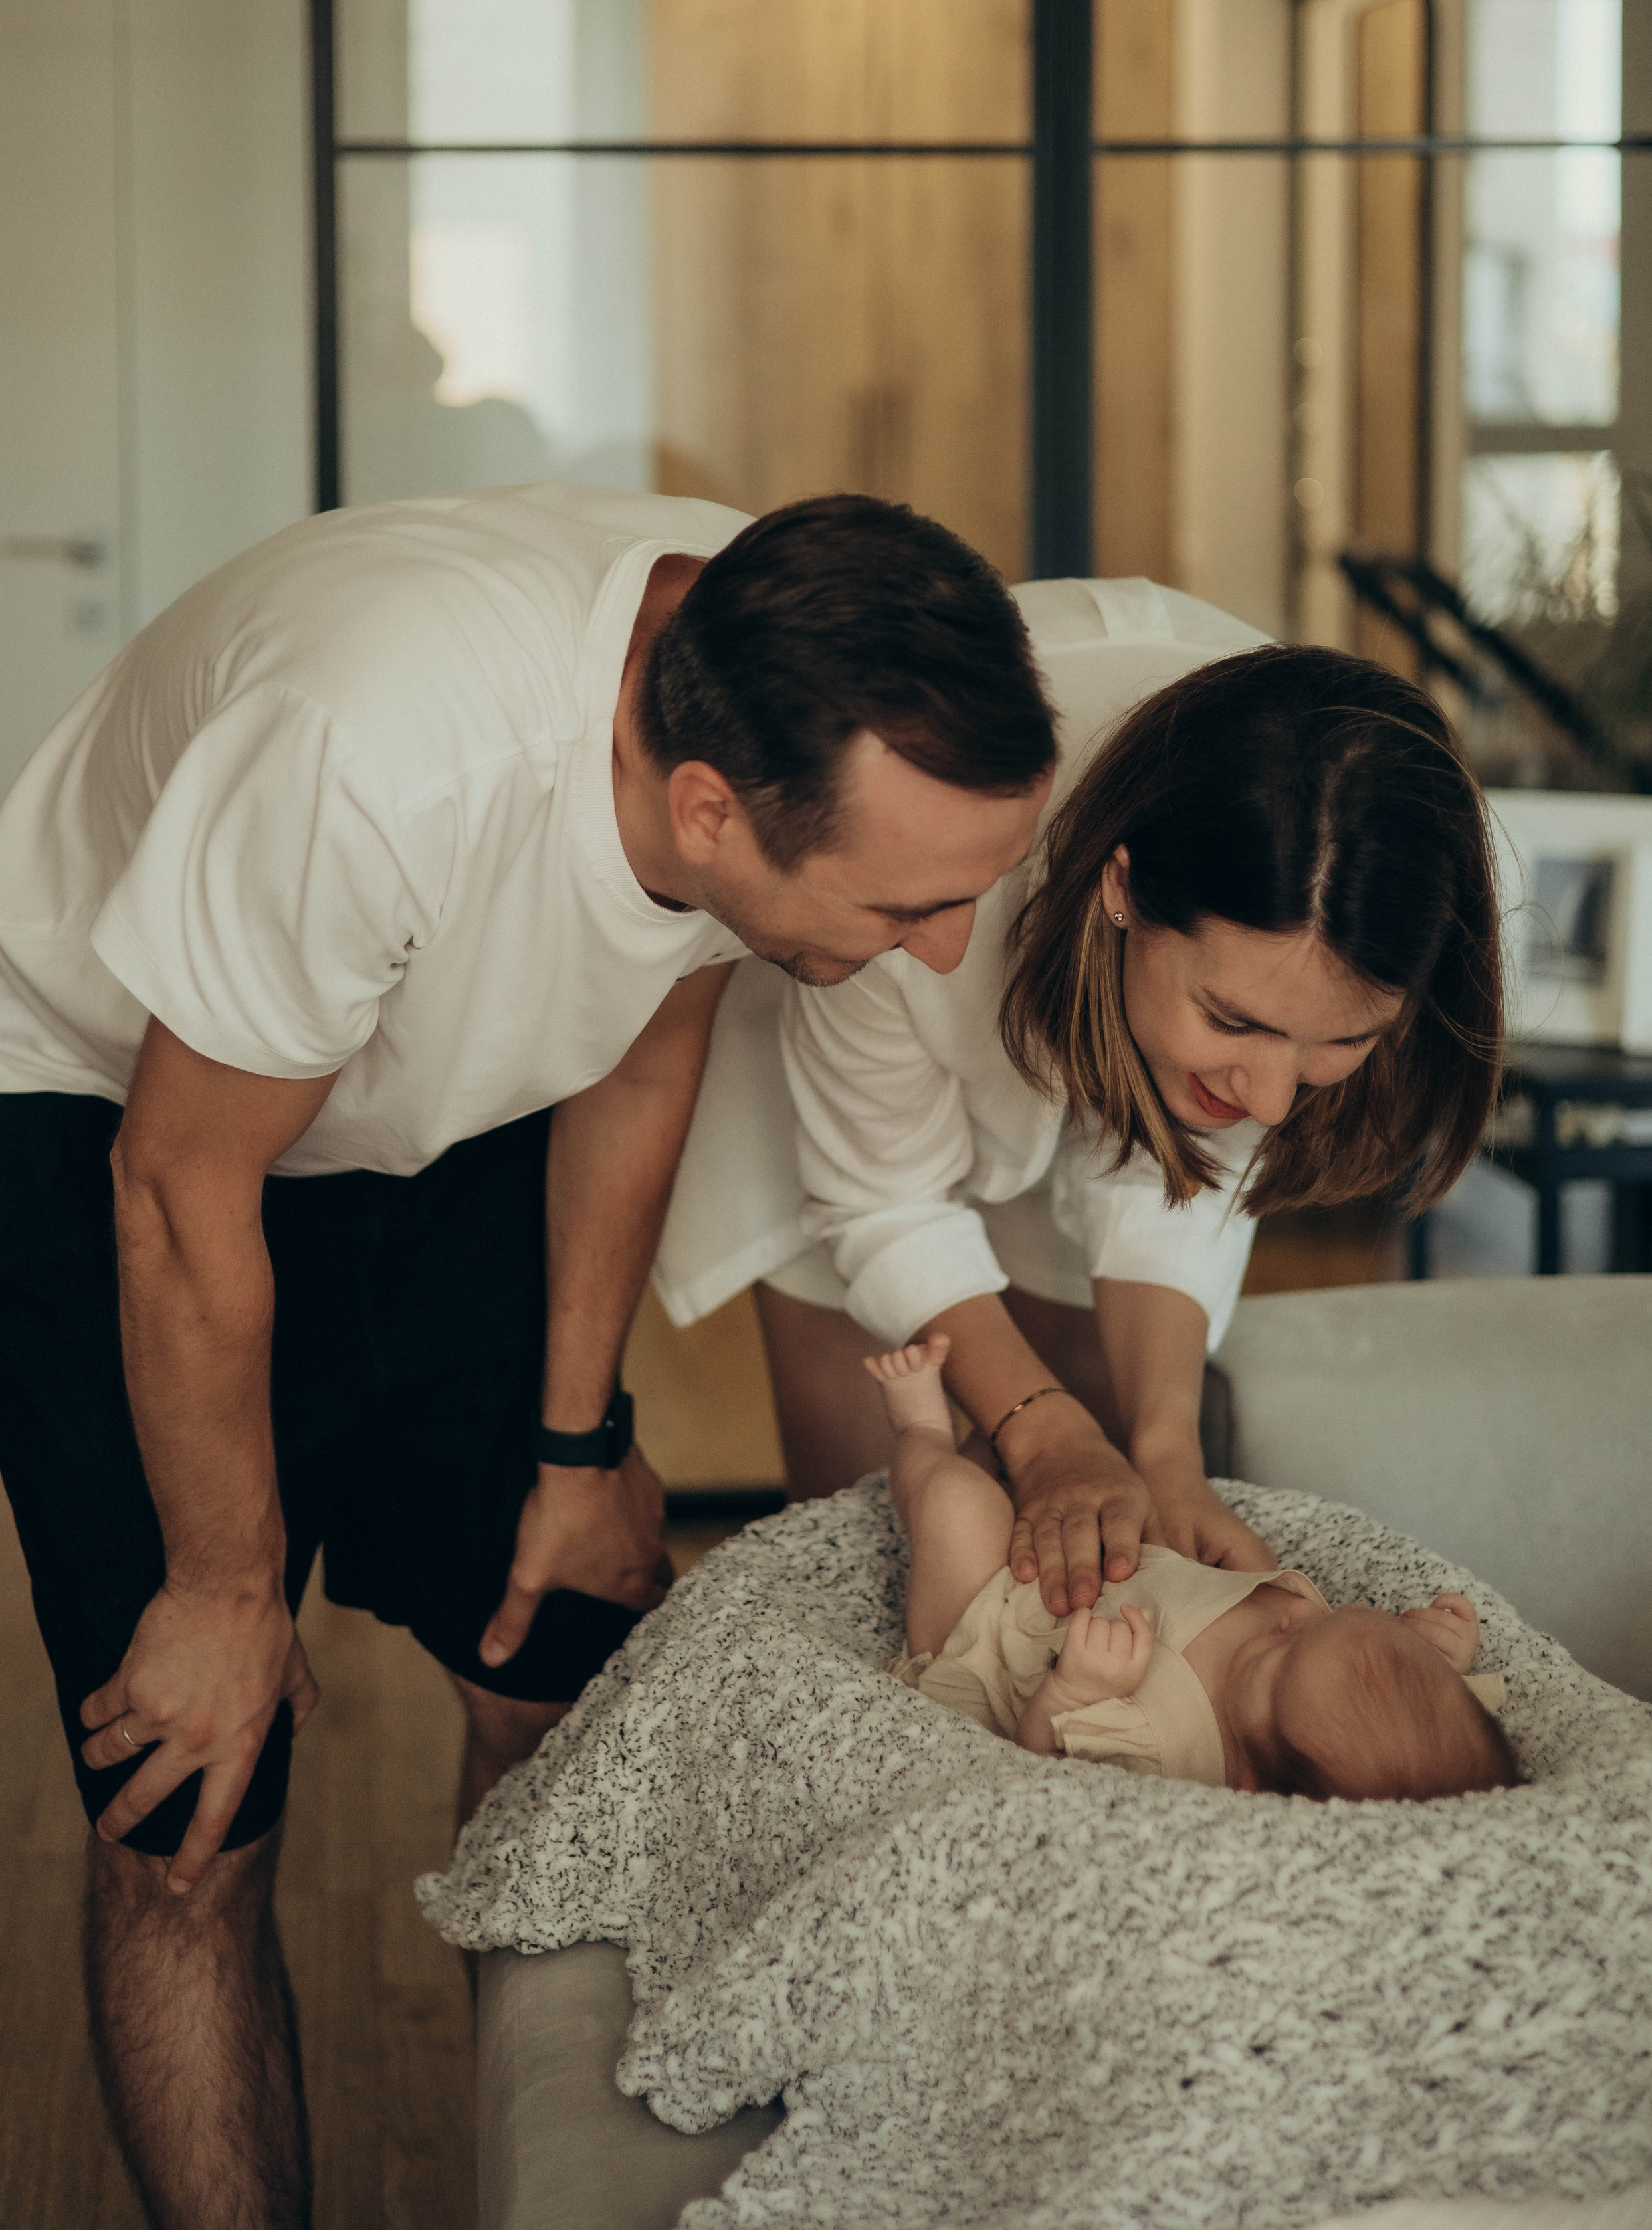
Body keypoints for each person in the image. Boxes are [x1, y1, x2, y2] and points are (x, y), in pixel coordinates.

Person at [0, 483, 1059, 2230]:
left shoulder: (765, 657)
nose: (943, 951)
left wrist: (580, 1447)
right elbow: (183, 1190)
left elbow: (647, 1051)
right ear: (708, 809)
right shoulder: (378, 760)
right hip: (115, 1107)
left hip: (427, 1079)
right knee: (190, 1807)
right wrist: (220, 1582)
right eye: (909, 908)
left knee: (561, 1664)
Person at [657, 587, 1502, 1616]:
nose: (1275, 1103)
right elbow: (886, 1203)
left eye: (1345, 1042)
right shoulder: (921, 857)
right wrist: (1037, 1422)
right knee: (876, 1560)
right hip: (859, 1086)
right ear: (1123, 889)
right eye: (1236, 1024)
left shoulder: (1361, 853)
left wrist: (1167, 1452)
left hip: (1101, 1035)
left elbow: (1177, 1185)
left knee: (1103, 1511)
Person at [869, 1333, 1517, 1803]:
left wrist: (1071, 1693)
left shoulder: (1164, 1757)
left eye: (1272, 1654)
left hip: (993, 1630)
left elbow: (1034, 1778)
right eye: (1319, 1622)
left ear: (1250, 1786)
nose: (1290, 1617)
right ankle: (998, 1444)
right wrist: (1437, 1654)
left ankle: (919, 1430)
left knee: (957, 1502)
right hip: (1101, 1557)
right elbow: (1418, 1720)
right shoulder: (1352, 1691)